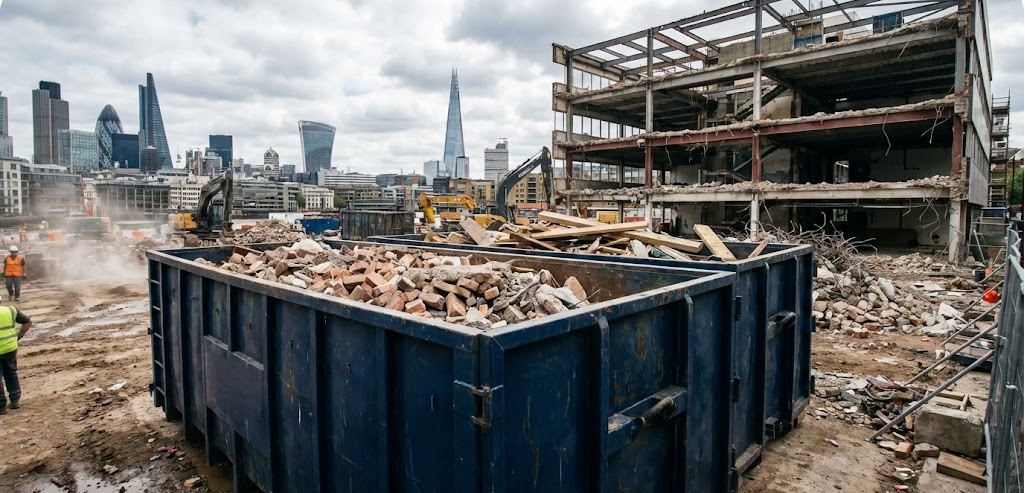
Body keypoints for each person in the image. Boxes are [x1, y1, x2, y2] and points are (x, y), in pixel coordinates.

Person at [0, 303, 31, 414]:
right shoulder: (10, 310)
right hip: (10, 348)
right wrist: (18, 336)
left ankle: (1, 406)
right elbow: (27, 322)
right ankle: (15, 400)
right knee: (11, 372)